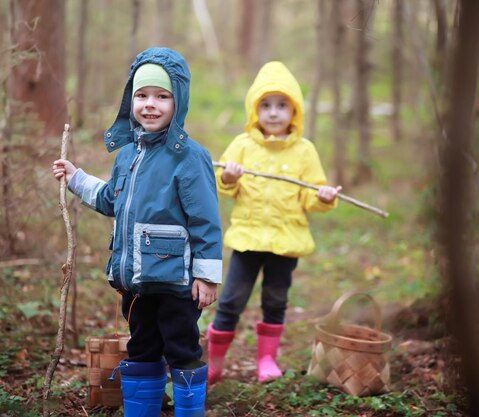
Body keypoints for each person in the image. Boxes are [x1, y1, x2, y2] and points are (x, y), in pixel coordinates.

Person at [52, 47, 222, 417]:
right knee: (142, 345)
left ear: (179, 102)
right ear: (130, 99)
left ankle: (188, 410)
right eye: (141, 95)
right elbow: (113, 199)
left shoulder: (189, 157)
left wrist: (206, 276)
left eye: (162, 97)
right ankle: (140, 410)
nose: (150, 105)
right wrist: (76, 179)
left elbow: (206, 221)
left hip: (177, 283)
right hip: (136, 283)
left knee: (181, 347)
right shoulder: (127, 154)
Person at [207, 61, 341, 384]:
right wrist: (227, 176)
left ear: (294, 111)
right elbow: (222, 183)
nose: (273, 113)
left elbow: (310, 198)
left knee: (275, 300)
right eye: (265, 105)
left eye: (282, 105)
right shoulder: (242, 145)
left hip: (285, 241)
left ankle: (267, 359)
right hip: (248, 239)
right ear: (255, 110)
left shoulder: (305, 151)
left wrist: (322, 196)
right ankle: (213, 362)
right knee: (231, 301)